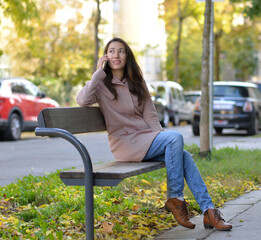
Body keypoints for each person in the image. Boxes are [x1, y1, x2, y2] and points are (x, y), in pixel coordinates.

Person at [76, 37, 232, 231]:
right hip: (125, 144)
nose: (116, 55)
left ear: (127, 56)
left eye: (121, 51)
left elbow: (150, 115)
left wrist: (162, 140)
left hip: (146, 139)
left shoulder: (136, 82)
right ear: (105, 56)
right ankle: (175, 198)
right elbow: (82, 100)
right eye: (112, 51)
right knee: (175, 139)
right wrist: (98, 74)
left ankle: (209, 210)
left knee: (183, 155)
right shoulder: (100, 85)